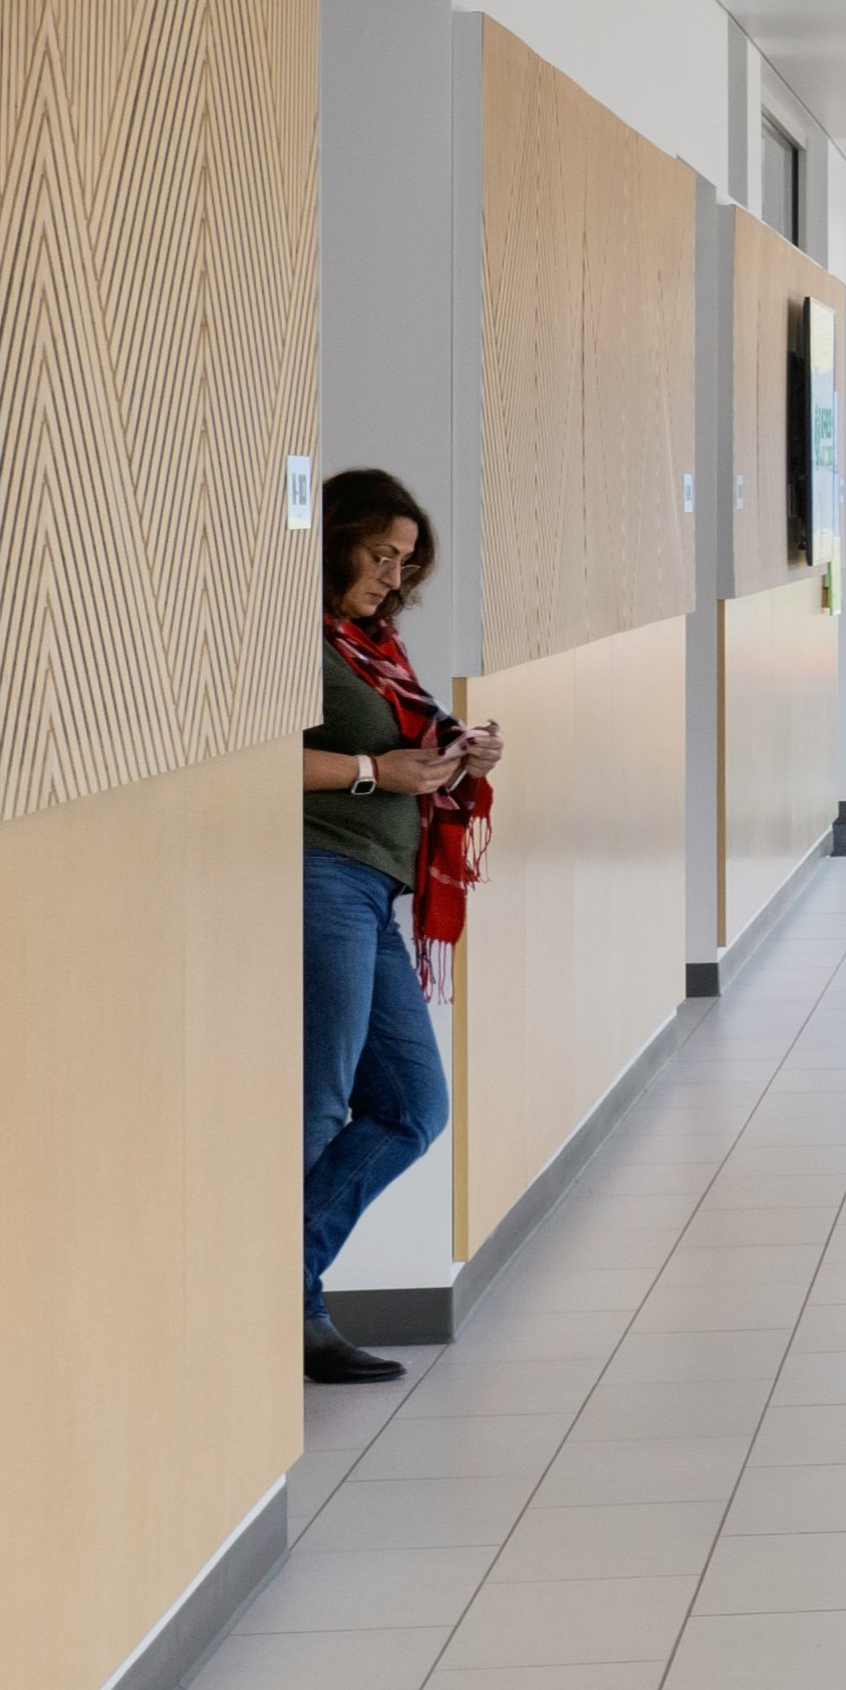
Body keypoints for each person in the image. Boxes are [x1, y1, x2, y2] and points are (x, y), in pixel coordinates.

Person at [294, 469, 496, 1390]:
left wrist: (454, 758)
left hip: (372, 890)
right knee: (316, 1105)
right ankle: (283, 1307)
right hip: (319, 876)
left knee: (414, 1107)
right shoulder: (294, 639)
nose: (392, 577)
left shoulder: (371, 645)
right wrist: (378, 773)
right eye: (381, 554)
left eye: (405, 565)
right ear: (336, 538)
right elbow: (256, 758)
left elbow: (396, 753)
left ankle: (280, 1287)